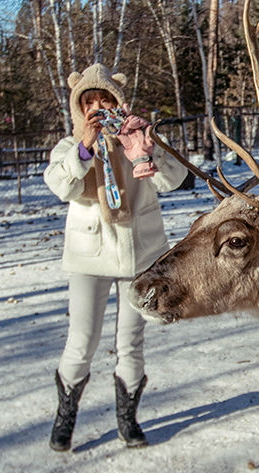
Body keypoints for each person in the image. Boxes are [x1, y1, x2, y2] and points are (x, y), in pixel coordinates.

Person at [42, 63, 187, 451]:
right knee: (82, 341)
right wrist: (85, 148)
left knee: (131, 342)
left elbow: (173, 181)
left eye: (105, 99)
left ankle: (128, 419)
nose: (98, 107)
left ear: (118, 101)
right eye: (89, 101)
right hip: (90, 257)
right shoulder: (69, 148)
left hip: (140, 255)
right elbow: (60, 185)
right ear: (79, 108)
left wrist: (147, 148)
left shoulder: (137, 137)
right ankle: (65, 417)